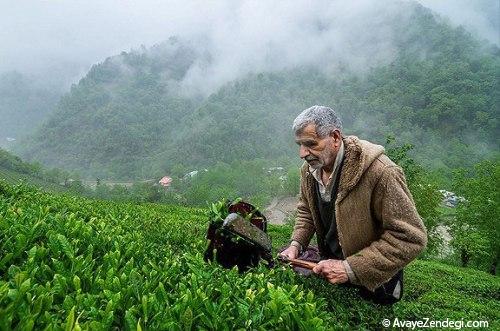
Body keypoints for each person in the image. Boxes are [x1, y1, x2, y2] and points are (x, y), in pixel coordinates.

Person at [279, 105, 427, 304]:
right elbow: (307, 210)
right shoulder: (309, 170)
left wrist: (350, 269)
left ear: (335, 137)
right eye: (299, 144)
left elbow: (411, 238)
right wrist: (296, 245)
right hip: (331, 274)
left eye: (311, 144)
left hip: (374, 284)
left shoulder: (381, 172)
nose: (303, 153)